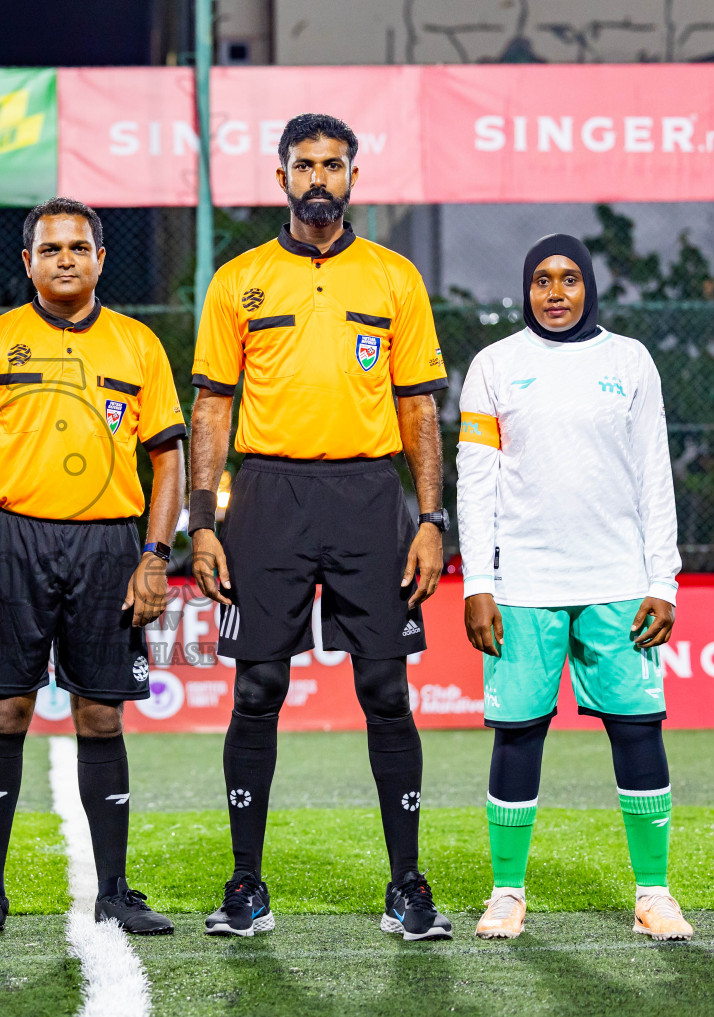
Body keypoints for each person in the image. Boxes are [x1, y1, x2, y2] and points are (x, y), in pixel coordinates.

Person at [189, 113, 453, 941]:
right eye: (304, 165)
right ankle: (245, 886)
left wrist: (433, 517)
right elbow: (210, 407)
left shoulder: (394, 278)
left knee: (384, 688)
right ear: (280, 179)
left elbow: (419, 407)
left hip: (372, 498)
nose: (318, 179)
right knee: (258, 687)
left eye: (333, 166)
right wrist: (203, 523)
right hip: (267, 496)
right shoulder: (238, 281)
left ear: (352, 178)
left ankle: (407, 886)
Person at [0, 197, 186, 938]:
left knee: (100, 712)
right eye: (50, 249)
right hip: (11, 540)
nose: (65, 259)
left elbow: (168, 456)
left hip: (111, 546)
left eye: (79, 247)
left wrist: (154, 555)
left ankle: (113, 889)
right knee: (6, 710)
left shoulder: (138, 345)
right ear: (28, 263)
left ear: (100, 259)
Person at [458, 234, 690, 941]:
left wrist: (663, 579)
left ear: (589, 285)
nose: (554, 292)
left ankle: (653, 893)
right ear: (526, 289)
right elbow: (477, 478)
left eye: (568, 279)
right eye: (541, 281)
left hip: (619, 580)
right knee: (519, 733)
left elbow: (655, 472)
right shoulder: (495, 366)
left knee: (637, 730)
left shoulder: (629, 361)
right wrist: (479, 581)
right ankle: (506, 893)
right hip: (524, 582)